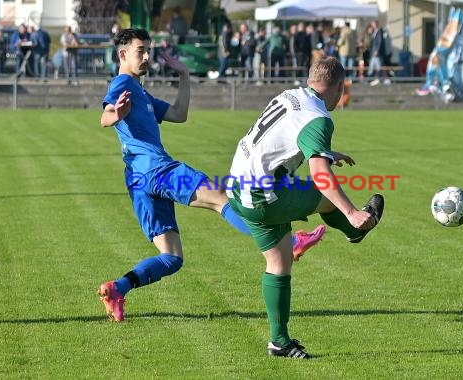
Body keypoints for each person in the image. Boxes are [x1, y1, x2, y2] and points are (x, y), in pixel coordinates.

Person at [97, 29, 326, 323]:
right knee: (221, 198)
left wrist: (183, 76)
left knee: (171, 258)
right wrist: (114, 115)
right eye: (140, 51)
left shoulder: (141, 93)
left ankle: (118, 288)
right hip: (157, 171)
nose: (146, 57)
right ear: (122, 54)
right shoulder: (122, 83)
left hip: (139, 182)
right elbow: (106, 114)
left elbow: (179, 113)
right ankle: (291, 242)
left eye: (148, 51)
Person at [226, 56, 384, 359]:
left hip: (237, 188)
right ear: (340, 87)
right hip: (264, 197)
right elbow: (320, 175)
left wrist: (324, 152)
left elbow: (281, 137)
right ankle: (354, 229)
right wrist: (351, 210)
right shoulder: (320, 118)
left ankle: (279, 341)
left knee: (279, 262)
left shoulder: (290, 95)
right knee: (325, 195)